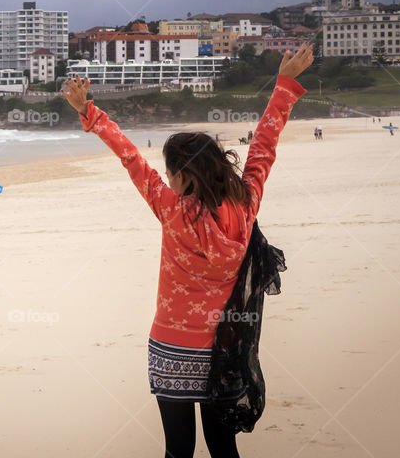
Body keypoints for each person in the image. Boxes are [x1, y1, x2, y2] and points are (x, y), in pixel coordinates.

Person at [61, 43, 314, 457]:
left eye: (168, 172)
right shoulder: (246, 203)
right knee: (222, 449)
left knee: (178, 450)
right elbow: (264, 146)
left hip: (171, 348)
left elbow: (129, 157)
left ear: (181, 174)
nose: (165, 178)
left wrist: (88, 111)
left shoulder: (171, 209)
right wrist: (284, 84)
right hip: (223, 350)